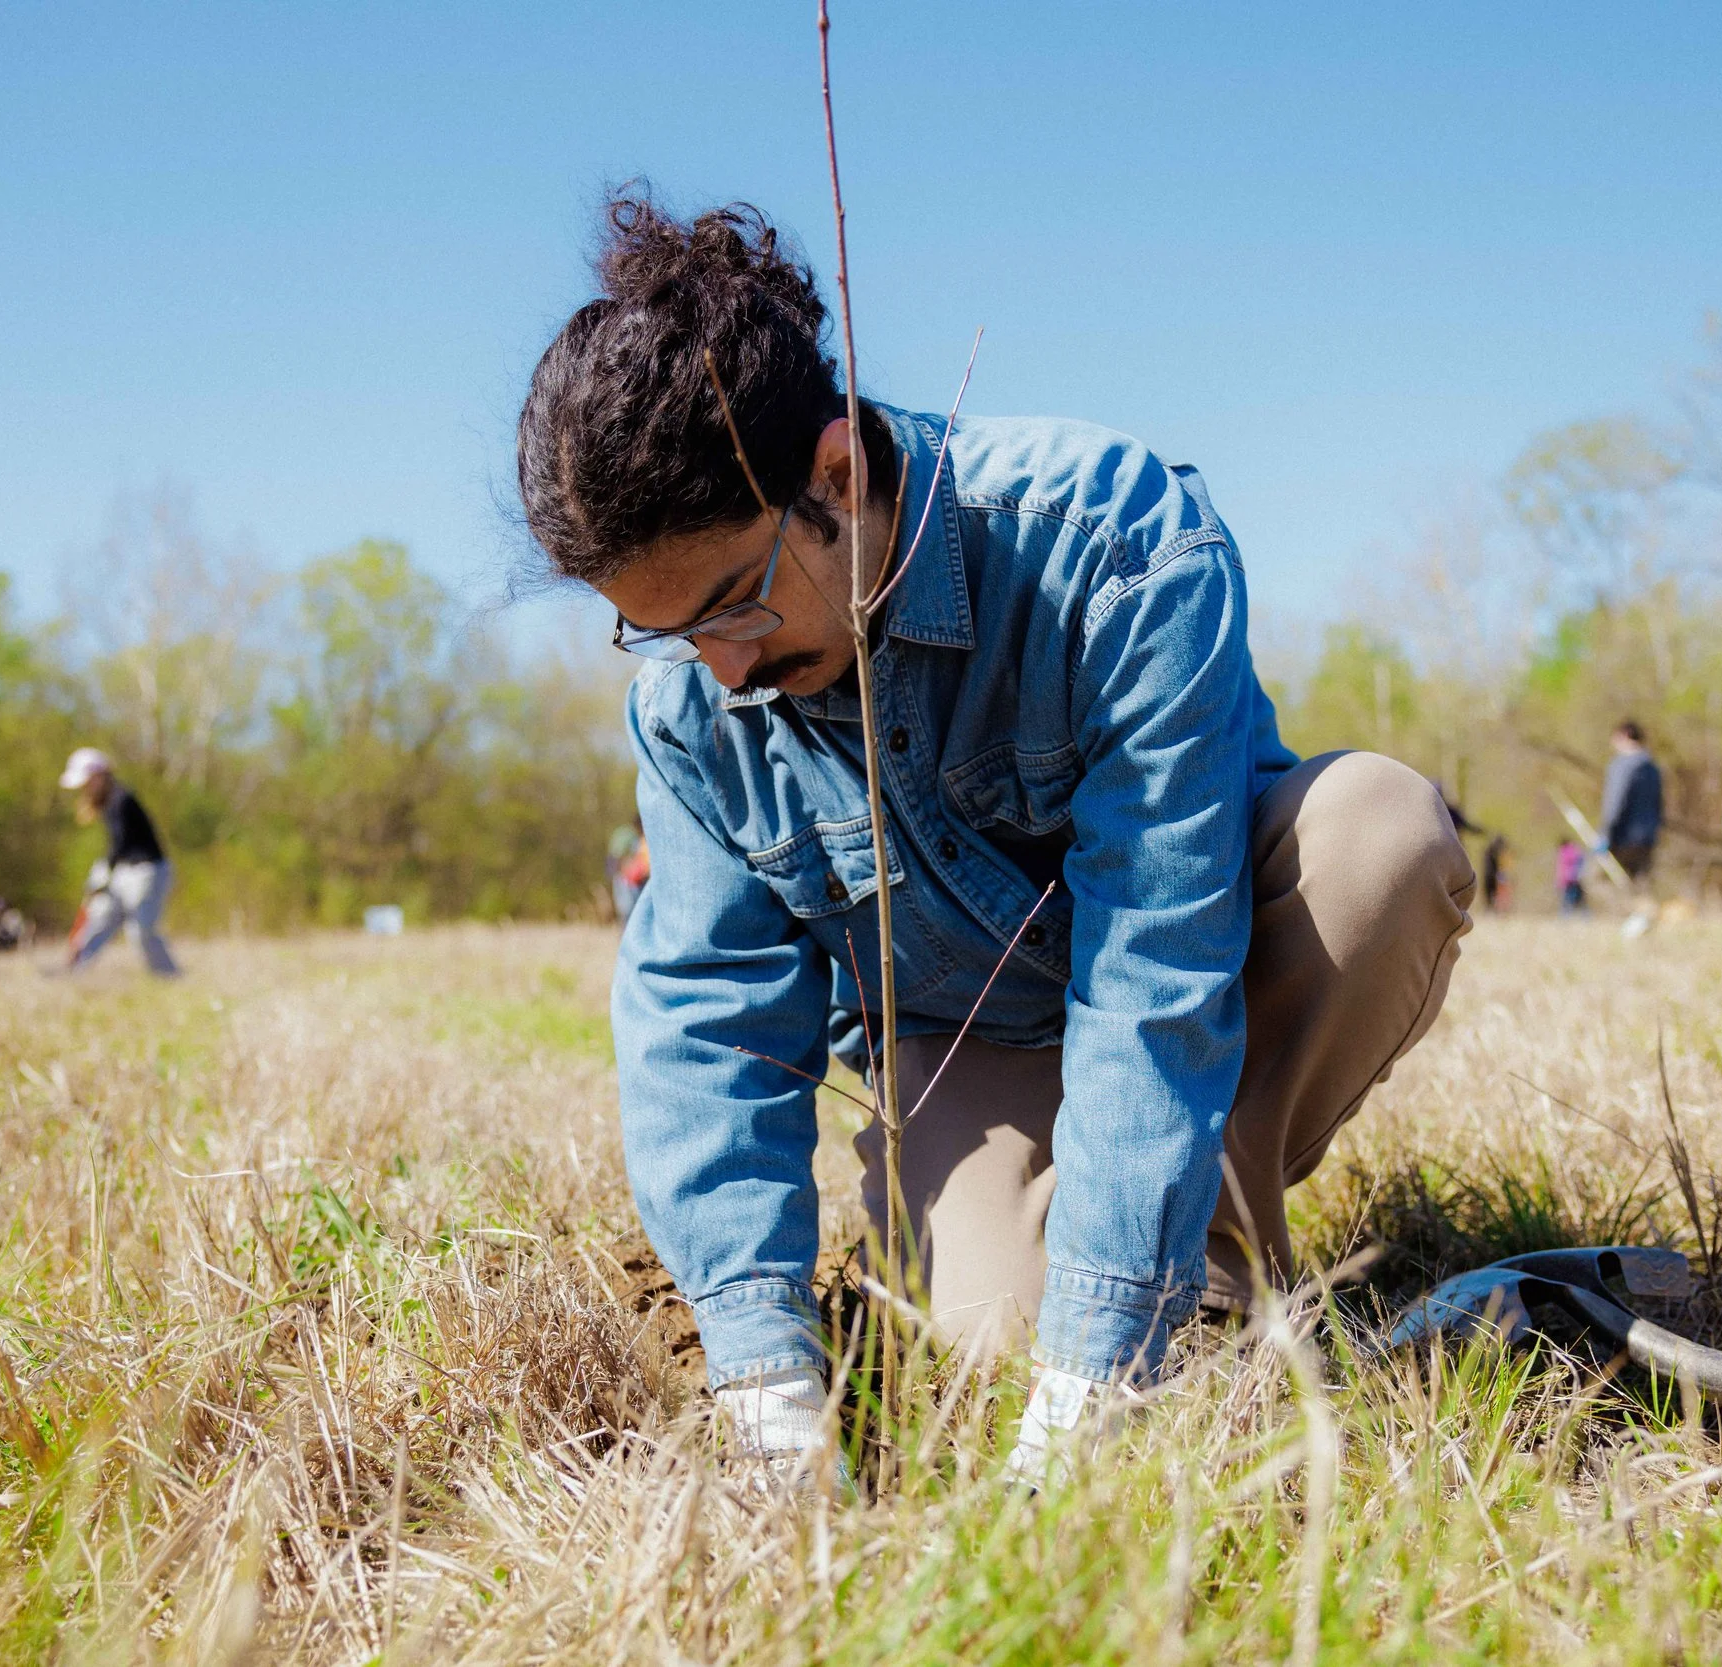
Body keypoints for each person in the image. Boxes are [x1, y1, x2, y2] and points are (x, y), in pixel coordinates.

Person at [514, 195, 1474, 1488]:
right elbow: (709, 1019)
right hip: (971, 1047)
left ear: (838, 475)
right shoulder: (695, 705)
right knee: (995, 1354)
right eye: (668, 629)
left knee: (1385, 835)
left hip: (1208, 973)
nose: (724, 664)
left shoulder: (1114, 545)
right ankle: (1171, 1298)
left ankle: (1188, 1278)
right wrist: (765, 1381)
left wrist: (1099, 1363)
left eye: (737, 600)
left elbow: (1159, 960)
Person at [58, 747, 179, 976]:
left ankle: (168, 977)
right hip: (125, 871)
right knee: (101, 917)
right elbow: (117, 845)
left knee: (141, 929)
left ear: (100, 776)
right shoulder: (108, 803)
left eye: (86, 782)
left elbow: (122, 843)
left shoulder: (123, 800)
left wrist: (103, 874)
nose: (84, 789)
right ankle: (75, 969)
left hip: (147, 871)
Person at [1596, 719, 1664, 929]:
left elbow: (1615, 802)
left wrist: (1605, 834)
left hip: (1622, 836)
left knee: (1596, 878)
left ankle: (1631, 918)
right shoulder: (1653, 768)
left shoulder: (1622, 765)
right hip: (1647, 836)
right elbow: (1660, 804)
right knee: (1641, 884)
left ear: (1624, 735)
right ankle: (1642, 921)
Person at [607, 819, 651, 924]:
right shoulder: (635, 838)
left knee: (624, 907)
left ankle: (625, 931)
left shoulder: (622, 832)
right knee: (631, 908)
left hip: (619, 872)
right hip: (630, 876)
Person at [1555, 838, 1587, 914]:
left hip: (1570, 880)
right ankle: (1585, 916)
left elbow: (1562, 869)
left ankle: (1565, 916)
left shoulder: (1565, 853)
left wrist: (1559, 881)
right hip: (1574, 879)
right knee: (1579, 900)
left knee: (1568, 900)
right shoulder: (1576, 851)